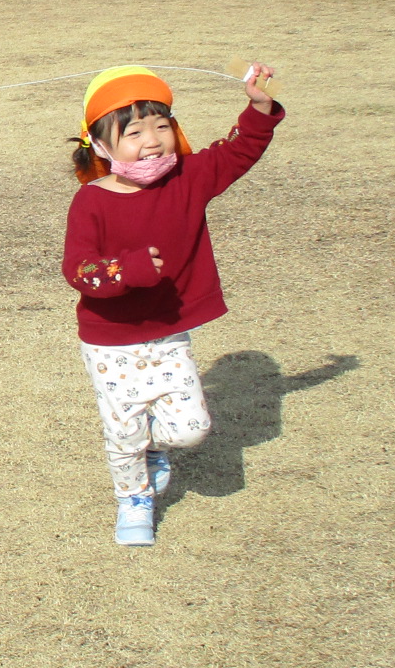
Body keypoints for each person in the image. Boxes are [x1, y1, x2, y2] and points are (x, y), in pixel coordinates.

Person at [62, 63, 284, 547]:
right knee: (123, 432)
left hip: (168, 332)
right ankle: (133, 499)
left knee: (190, 430)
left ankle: (155, 448)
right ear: (99, 144)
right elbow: (78, 270)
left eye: (162, 126)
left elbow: (238, 152)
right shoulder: (91, 202)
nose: (153, 140)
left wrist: (259, 108)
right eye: (134, 132)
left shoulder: (188, 178)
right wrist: (127, 271)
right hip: (110, 342)